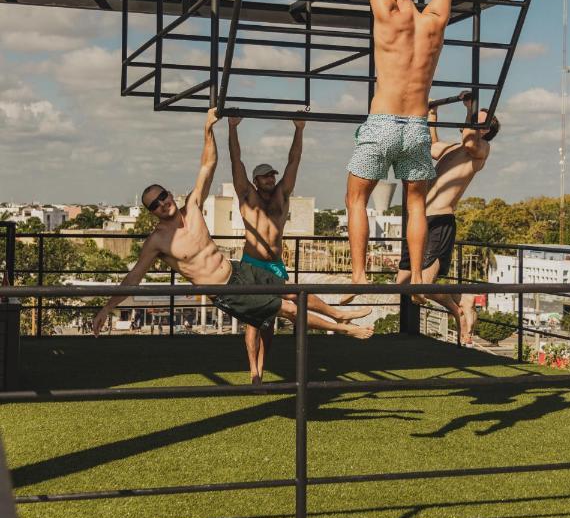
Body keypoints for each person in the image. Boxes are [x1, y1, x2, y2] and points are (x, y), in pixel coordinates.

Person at [92, 110, 373, 383]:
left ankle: (338, 314)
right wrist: (107, 307)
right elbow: (135, 276)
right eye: (155, 204)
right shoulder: (158, 241)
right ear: (151, 212)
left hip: (239, 270)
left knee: (293, 293)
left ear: (168, 193)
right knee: (285, 311)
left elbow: (207, 166)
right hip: (226, 291)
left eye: (163, 196)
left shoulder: (193, 207)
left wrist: (208, 128)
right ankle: (344, 331)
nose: (163, 203)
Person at [345, 0, 455, 305]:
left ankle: (358, 277)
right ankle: (416, 279)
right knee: (415, 205)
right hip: (416, 126)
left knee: (356, 198)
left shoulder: (386, 13)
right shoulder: (435, 19)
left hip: (383, 122)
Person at [228, 115, 372, 378]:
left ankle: (264, 363)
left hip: (276, 265)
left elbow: (294, 160)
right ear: (255, 180)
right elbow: (236, 161)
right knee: (252, 323)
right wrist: (232, 128)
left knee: (271, 323)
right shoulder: (247, 196)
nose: (270, 179)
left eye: (271, 175)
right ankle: (254, 371)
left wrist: (300, 129)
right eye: (264, 177)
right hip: (253, 264)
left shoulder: (282, 195)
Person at [397, 93, 500, 344]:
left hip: (440, 220)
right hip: (419, 219)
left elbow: (469, 141)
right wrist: (432, 115)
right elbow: (432, 147)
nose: (470, 121)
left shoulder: (480, 150)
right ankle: (461, 303)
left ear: (484, 129)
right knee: (402, 284)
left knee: (423, 285)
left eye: (477, 120)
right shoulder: (453, 149)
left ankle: (459, 310)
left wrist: (470, 108)